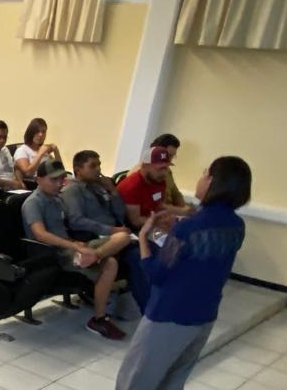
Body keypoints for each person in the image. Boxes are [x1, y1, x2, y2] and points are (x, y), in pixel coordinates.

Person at [90, 157, 252, 390]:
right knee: (170, 384)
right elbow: (194, 262)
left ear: (214, 182)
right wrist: (169, 236)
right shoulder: (235, 225)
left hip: (169, 315)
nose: (200, 178)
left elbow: (158, 273)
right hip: (203, 316)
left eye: (205, 173)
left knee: (134, 381)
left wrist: (144, 238)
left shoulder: (191, 226)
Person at [21, 161, 131, 341]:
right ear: (38, 180)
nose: (59, 183)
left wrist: (77, 243)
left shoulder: (57, 199)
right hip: (55, 254)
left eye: (61, 179)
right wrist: (74, 246)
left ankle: (93, 258)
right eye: (53, 180)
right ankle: (99, 318)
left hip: (72, 246)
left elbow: (68, 224)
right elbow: (41, 235)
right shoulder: (33, 203)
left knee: (123, 238)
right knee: (110, 262)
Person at [62, 149, 148, 312]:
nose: (98, 169)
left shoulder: (98, 187)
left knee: (146, 250)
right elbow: (76, 221)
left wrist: (113, 191)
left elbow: (120, 213)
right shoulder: (72, 190)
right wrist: (112, 230)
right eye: (92, 166)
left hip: (116, 233)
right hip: (96, 236)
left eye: (99, 165)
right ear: (78, 169)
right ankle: (145, 305)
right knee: (136, 256)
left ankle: (142, 299)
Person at [118, 146, 190, 229]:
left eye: (166, 168)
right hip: (135, 229)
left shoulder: (158, 180)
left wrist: (183, 212)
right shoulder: (132, 186)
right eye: (160, 168)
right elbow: (135, 221)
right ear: (144, 166)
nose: (164, 173)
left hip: (152, 221)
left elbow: (159, 205)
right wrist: (160, 222)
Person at [126, 134, 191, 217]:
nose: (170, 160)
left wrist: (185, 210)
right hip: (155, 216)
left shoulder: (166, 170)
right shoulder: (139, 175)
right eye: (168, 155)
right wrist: (180, 211)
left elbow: (176, 194)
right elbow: (154, 204)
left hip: (170, 213)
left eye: (172, 156)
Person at [13, 118, 61, 190]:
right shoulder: (22, 150)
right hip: (36, 185)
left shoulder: (44, 150)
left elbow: (60, 170)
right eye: (37, 131)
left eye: (43, 132)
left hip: (53, 182)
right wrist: (40, 154)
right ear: (31, 132)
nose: (41, 135)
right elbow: (28, 173)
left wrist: (56, 151)